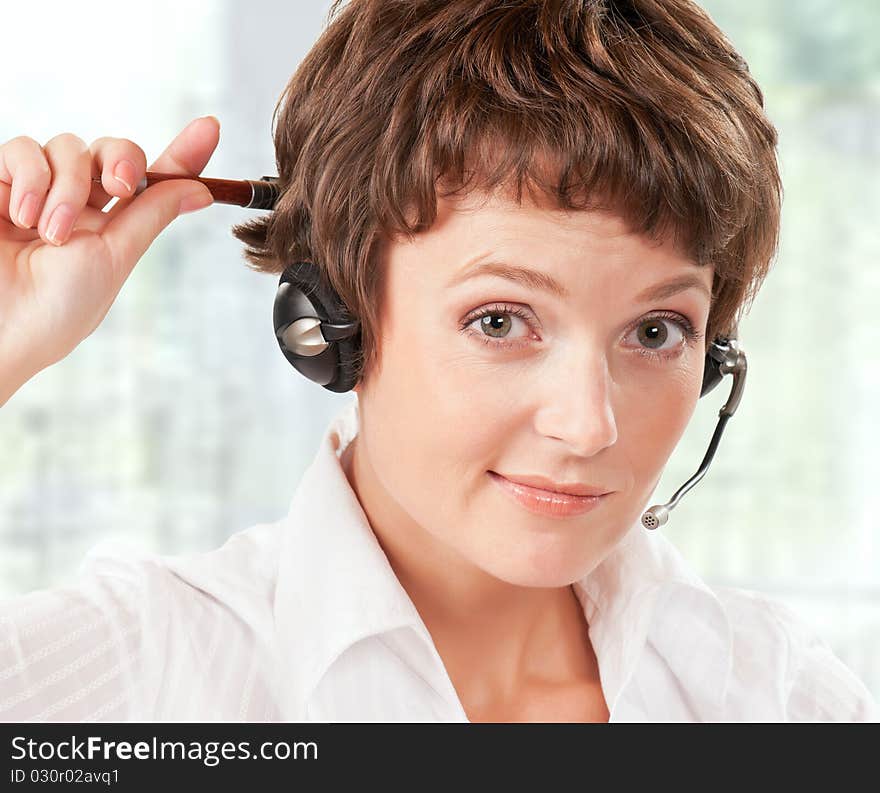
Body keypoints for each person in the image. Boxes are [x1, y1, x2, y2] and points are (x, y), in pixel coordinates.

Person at [0, 0, 876, 723]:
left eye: (656, 332)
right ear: (332, 321)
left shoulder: (780, 697)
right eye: (501, 320)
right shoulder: (142, 673)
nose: (589, 423)